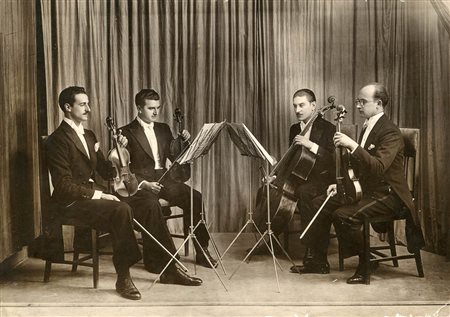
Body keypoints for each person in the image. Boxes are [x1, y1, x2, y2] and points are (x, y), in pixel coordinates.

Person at [294, 83, 425, 284]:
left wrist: (352, 145)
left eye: (362, 102)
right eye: (358, 101)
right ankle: (318, 262)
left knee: (343, 215)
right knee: (319, 202)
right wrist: (340, 185)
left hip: (390, 195)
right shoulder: (369, 126)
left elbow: (378, 167)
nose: (357, 106)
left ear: (379, 104)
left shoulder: (390, 132)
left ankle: (365, 266)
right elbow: (361, 168)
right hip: (369, 190)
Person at [45, 86, 142, 300]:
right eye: (82, 104)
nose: (88, 109)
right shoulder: (57, 140)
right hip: (68, 203)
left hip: (86, 198)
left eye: (88, 104)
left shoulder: (88, 135)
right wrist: (99, 195)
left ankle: (127, 265)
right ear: (67, 107)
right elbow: (63, 186)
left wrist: (118, 148)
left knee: (128, 205)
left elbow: (105, 171)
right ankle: (124, 276)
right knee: (120, 209)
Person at [120, 88, 217, 268]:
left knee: (195, 198)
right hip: (141, 183)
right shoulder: (125, 132)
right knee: (152, 206)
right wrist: (144, 184)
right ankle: (158, 258)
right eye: (151, 108)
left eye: (157, 107)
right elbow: (124, 168)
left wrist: (186, 143)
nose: (156, 112)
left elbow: (176, 159)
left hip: (164, 178)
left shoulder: (163, 128)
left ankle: (202, 251)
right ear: (139, 109)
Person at [253, 88, 336, 264]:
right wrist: (277, 176)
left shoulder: (328, 128)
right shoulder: (294, 129)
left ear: (313, 106)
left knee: (305, 192)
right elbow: (292, 159)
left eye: (302, 105)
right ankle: (271, 239)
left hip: (320, 180)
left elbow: (332, 160)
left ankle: (311, 249)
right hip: (298, 176)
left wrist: (311, 145)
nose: (297, 110)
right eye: (295, 106)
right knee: (266, 190)